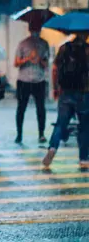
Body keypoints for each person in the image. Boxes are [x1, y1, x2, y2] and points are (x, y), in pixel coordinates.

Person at [43, 34, 89, 168]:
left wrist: (56, 88)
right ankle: (84, 158)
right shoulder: (87, 50)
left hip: (65, 91)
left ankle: (52, 147)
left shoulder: (64, 48)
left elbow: (55, 69)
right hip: (84, 92)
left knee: (60, 123)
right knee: (85, 126)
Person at [14, 25, 50, 144]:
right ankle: (19, 135)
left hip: (39, 80)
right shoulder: (23, 44)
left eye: (37, 29)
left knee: (40, 108)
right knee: (21, 108)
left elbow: (46, 64)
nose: (35, 32)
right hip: (24, 80)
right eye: (34, 29)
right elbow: (16, 63)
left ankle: (41, 134)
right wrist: (28, 58)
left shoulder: (44, 44)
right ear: (30, 29)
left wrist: (39, 59)